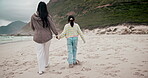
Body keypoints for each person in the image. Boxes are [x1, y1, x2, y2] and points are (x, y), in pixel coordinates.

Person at [30, 1, 58, 75]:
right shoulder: (47, 16)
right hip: (47, 36)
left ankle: (40, 70)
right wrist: (56, 33)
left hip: (37, 37)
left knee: (40, 54)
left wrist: (37, 30)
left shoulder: (33, 17)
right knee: (46, 51)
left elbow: (32, 27)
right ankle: (46, 64)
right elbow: (52, 26)